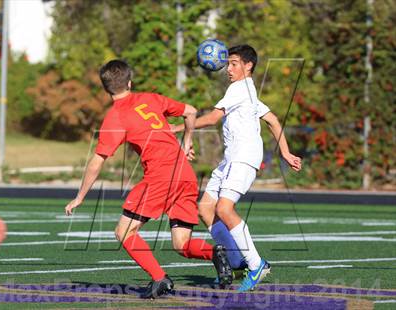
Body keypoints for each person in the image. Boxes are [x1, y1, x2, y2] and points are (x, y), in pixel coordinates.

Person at [64, 60, 232, 299]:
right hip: (184, 174)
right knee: (181, 244)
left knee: (124, 231)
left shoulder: (115, 117)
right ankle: (215, 252)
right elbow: (191, 111)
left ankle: (160, 278)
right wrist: (187, 141)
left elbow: (97, 161)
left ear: (106, 89)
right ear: (130, 82)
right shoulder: (150, 98)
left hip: (160, 177)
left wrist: (79, 197)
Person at [173, 44, 302, 292]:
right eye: (228, 64)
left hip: (243, 158)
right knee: (206, 208)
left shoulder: (239, 89)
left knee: (224, 208)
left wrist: (180, 129)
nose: (228, 69)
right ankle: (235, 261)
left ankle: (256, 264)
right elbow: (273, 121)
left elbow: (212, 118)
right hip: (231, 160)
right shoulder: (249, 91)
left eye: (233, 63)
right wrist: (284, 152)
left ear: (248, 65)